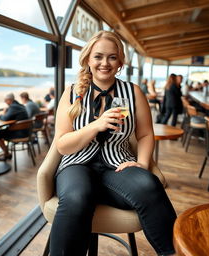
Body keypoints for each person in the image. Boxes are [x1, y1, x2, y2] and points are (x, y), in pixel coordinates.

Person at [50, 30, 176, 256]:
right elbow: (62, 146)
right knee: (77, 197)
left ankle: (175, 252)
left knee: (149, 185)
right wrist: (95, 125)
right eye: (98, 56)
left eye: (112, 57)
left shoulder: (133, 92)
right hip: (77, 165)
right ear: (88, 58)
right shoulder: (71, 92)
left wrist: (143, 164)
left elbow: (146, 134)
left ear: (120, 61)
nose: (104, 63)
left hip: (118, 165)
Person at [0, 93, 28, 161]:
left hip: (20, 133)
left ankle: (6, 154)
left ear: (9, 100)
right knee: (2, 133)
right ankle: (6, 153)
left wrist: (1, 114)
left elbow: (5, 118)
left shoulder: (13, 107)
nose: (5, 102)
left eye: (5, 100)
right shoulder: (20, 105)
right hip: (27, 131)